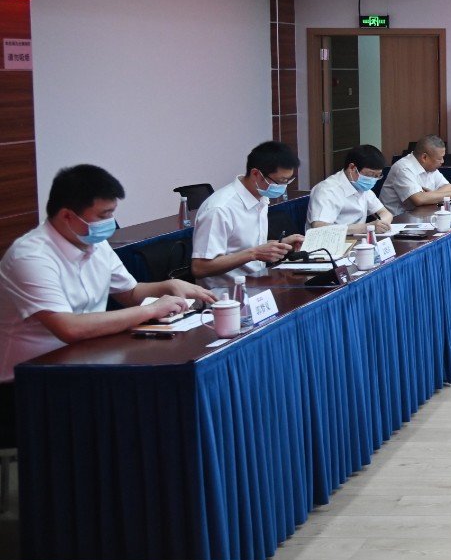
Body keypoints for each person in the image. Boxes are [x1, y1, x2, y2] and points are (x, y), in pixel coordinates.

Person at [0, 167, 215, 420]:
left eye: (112, 213)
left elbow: (130, 292)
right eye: (104, 215)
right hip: (28, 386)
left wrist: (168, 286)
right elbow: (69, 328)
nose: (110, 223)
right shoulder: (30, 257)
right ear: (67, 216)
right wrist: (152, 309)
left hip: (85, 366)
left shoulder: (94, 243)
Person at [192, 140, 306, 292]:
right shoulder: (220, 209)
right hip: (224, 295)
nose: (283, 187)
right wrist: (254, 254)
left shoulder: (260, 197)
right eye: (280, 181)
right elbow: (199, 268)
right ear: (256, 174)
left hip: (258, 285)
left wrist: (281, 244)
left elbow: (244, 245)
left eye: (288, 181)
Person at [308, 144, 393, 236]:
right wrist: (366, 228)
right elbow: (319, 227)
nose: (373, 180)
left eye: (377, 176)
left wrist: (383, 224)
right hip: (331, 242)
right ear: (352, 168)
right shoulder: (327, 190)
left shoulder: (363, 188)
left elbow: (385, 212)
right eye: (370, 175)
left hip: (357, 240)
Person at [379, 134, 451, 216]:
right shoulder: (404, 168)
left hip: (419, 216)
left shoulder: (430, 167)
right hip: (396, 221)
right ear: (424, 157)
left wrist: (431, 195)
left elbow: (448, 187)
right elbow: (418, 199)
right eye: (439, 158)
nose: (442, 161)